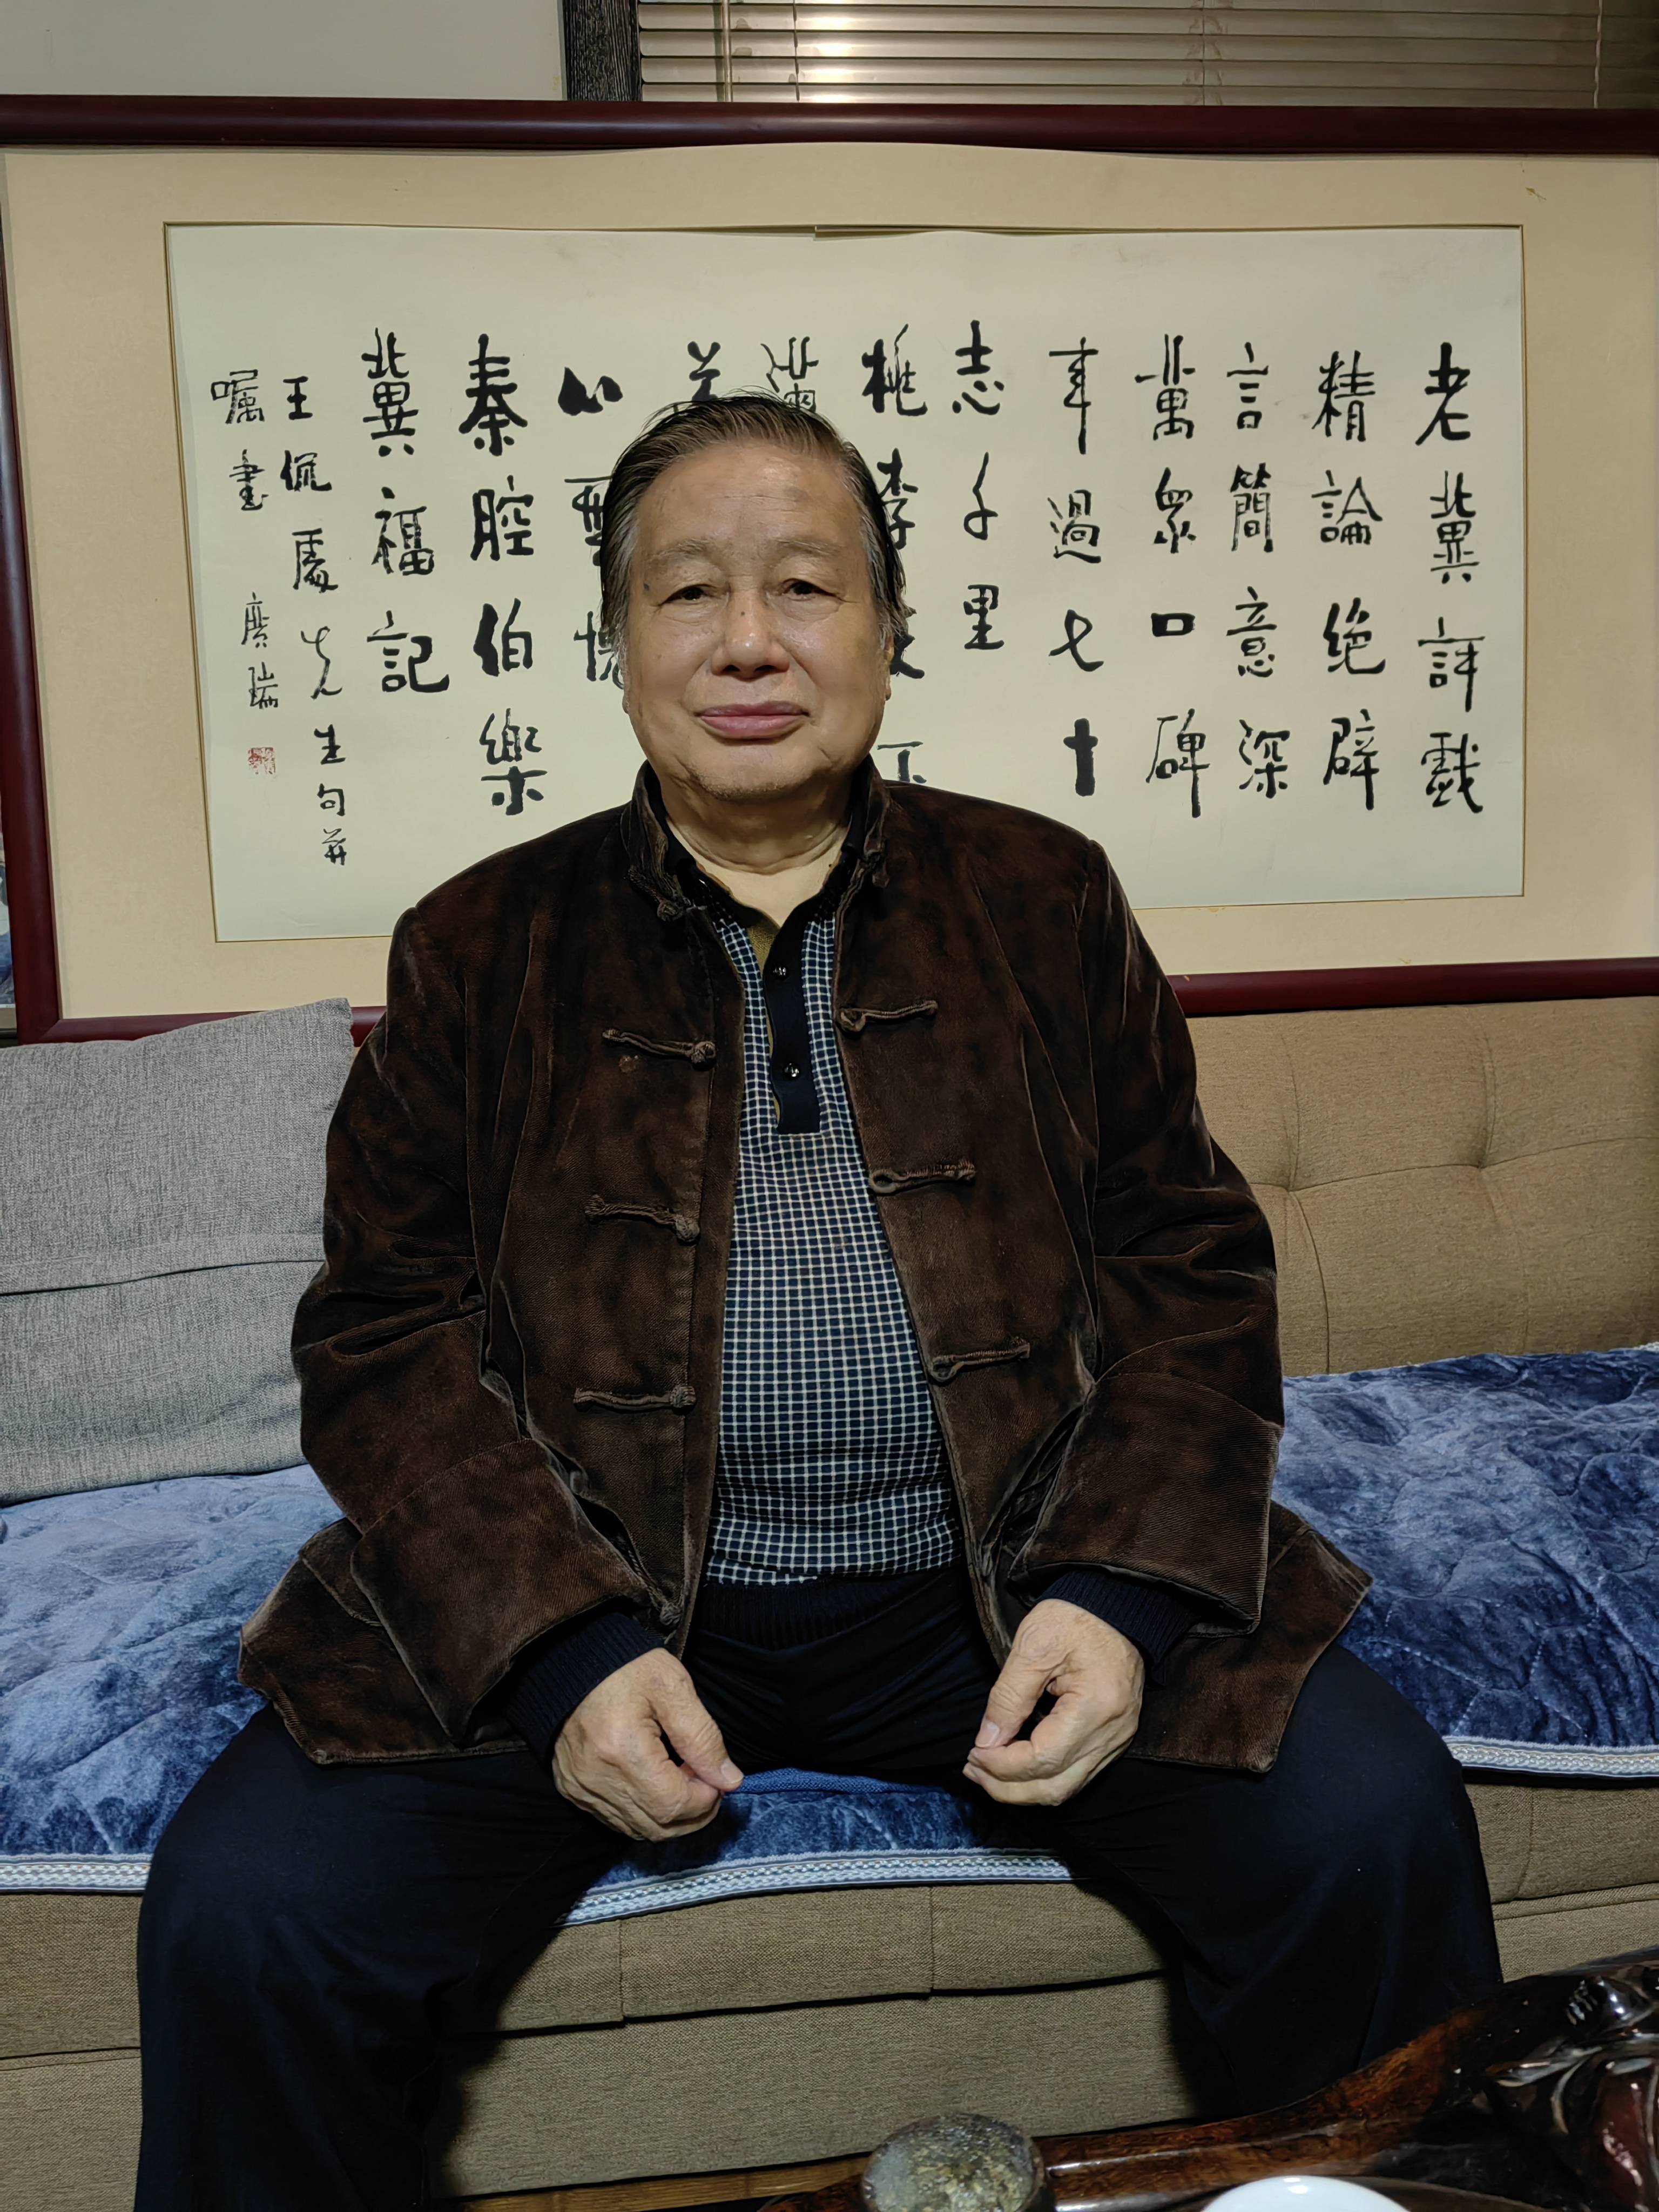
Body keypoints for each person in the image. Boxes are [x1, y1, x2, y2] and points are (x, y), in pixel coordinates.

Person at [134, 393, 1501, 2209]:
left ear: (886, 625)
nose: (750, 642)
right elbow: (383, 1335)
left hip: (996, 1584)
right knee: (250, 1913)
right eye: (689, 592)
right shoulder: (481, 942)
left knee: (1368, 1829)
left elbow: (1188, 1264)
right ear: (618, 640)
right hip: (602, 1589)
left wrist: (1111, 1599)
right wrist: (560, 1653)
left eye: (805, 585)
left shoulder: (1042, 895)